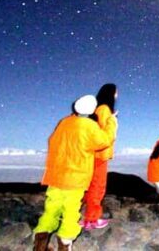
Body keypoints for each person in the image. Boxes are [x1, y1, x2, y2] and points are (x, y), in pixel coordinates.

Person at [33, 95, 117, 251]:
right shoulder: (88, 126)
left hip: (56, 176)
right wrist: (112, 121)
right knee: (71, 212)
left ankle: (40, 243)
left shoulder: (64, 122)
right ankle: (65, 244)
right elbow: (105, 140)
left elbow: (51, 141)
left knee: (51, 208)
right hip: (75, 178)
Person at [81, 83, 119, 230]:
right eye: (116, 92)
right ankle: (92, 219)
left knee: (91, 185)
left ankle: (86, 217)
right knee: (97, 186)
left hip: (94, 154)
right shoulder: (104, 110)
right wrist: (112, 120)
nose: (117, 95)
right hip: (99, 154)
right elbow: (104, 135)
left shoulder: (99, 109)